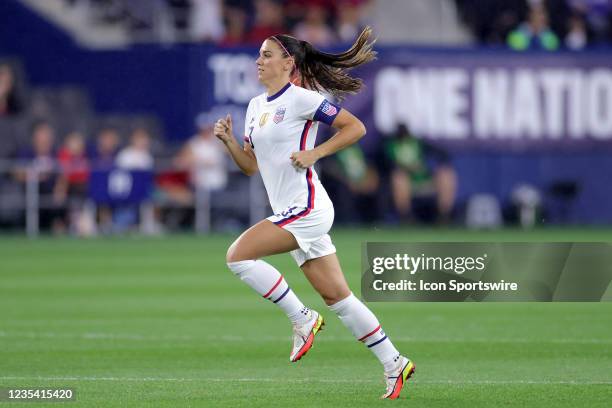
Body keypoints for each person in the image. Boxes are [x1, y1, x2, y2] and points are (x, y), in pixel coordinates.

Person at [213, 27, 415, 400]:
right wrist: (228, 142)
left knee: (237, 257)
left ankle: (301, 318)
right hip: (292, 211)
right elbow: (251, 166)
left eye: (267, 55)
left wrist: (315, 154)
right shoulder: (256, 106)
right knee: (339, 298)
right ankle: (394, 362)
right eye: (258, 54)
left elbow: (355, 128)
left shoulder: (303, 99)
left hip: (307, 207)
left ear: (288, 63)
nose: (259, 60)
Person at [386, 123, 457, 224]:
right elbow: (386, 164)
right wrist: (409, 168)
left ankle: (444, 216)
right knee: (399, 178)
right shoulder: (390, 145)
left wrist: (429, 167)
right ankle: (406, 218)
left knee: (446, 174)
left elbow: (442, 154)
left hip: (424, 178)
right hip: (407, 181)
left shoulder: (417, 142)